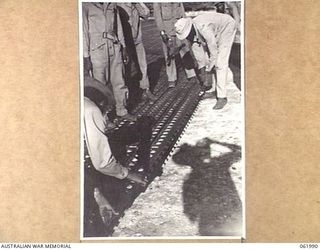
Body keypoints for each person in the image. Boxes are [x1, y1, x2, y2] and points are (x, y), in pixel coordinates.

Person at [82, 2, 136, 121]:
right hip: (97, 50)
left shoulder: (111, 4)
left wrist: (124, 47)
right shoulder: (86, 5)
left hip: (114, 47)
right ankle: (103, 118)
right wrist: (86, 56)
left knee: (119, 81)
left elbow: (119, 28)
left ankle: (122, 110)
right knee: (100, 86)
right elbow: (83, 32)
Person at [175, 12, 236, 109]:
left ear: (189, 29)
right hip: (215, 31)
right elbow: (199, 53)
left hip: (227, 27)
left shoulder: (204, 28)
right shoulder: (192, 30)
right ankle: (213, 90)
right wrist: (204, 67)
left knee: (220, 63)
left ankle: (222, 97)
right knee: (209, 60)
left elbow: (214, 52)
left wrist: (208, 69)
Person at [117, 3, 156, 103]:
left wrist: (139, 2)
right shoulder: (118, 5)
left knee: (143, 66)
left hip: (137, 41)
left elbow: (146, 14)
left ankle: (145, 90)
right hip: (125, 43)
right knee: (126, 70)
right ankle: (129, 96)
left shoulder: (135, 5)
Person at [153, 3, 196, 88]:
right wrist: (162, 31)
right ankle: (172, 78)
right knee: (169, 54)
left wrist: (185, 26)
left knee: (185, 49)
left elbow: (183, 13)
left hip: (180, 28)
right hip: (167, 30)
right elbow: (157, 16)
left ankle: (191, 73)